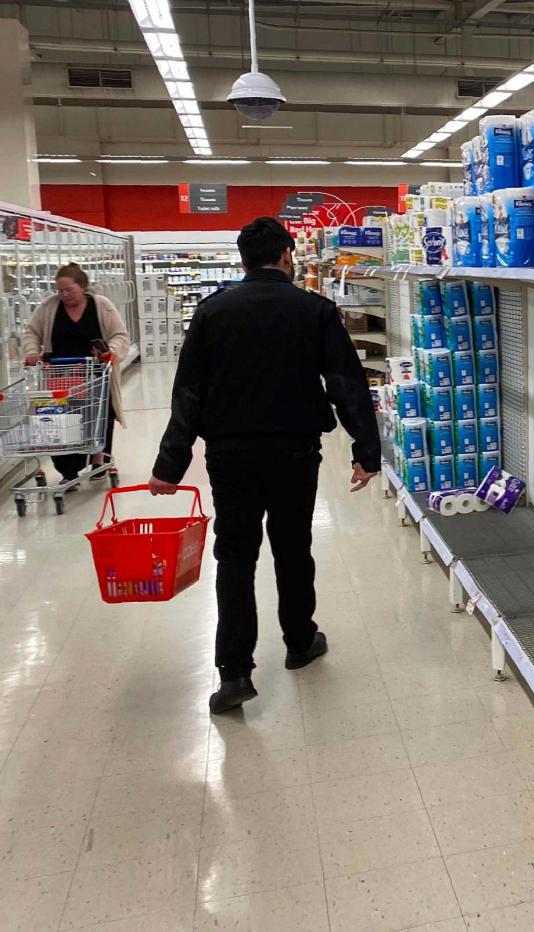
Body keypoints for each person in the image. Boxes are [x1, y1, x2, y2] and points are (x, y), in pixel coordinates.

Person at [148, 217, 381, 714]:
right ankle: (300, 642)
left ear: (242, 260)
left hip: (231, 454)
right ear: (287, 255)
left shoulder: (213, 312)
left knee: (235, 556)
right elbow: (345, 381)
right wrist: (366, 451)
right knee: (293, 547)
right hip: (295, 452)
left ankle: (233, 674)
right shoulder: (314, 310)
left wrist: (170, 465)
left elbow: (188, 392)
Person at [21, 263, 130, 483]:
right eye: (60, 290)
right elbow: (32, 332)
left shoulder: (101, 305)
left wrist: (111, 352)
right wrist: (33, 353)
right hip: (60, 376)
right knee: (62, 421)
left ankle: (100, 459)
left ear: (83, 286)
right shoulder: (49, 307)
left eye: (69, 289)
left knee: (99, 417)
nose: (64, 294)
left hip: (95, 373)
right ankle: (68, 470)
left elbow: (120, 335)